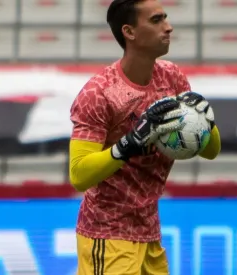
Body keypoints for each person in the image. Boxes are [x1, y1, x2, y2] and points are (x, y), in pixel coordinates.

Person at [68, 0, 222, 274]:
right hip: (107, 234)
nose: (168, 27)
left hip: (149, 233)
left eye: (166, 18)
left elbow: (211, 151)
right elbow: (79, 174)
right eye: (156, 20)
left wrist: (207, 123)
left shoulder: (172, 79)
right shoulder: (99, 93)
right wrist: (128, 144)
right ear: (129, 32)